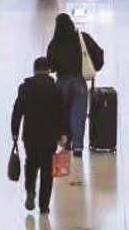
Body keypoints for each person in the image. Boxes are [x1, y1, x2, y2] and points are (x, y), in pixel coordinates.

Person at [9, 56, 68, 215]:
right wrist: (63, 133)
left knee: (31, 163)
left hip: (30, 135)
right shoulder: (55, 89)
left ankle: (30, 190)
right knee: (47, 170)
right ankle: (44, 206)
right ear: (49, 71)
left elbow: (17, 111)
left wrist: (15, 132)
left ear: (34, 70)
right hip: (50, 136)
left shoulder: (25, 88)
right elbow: (62, 113)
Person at [45, 13, 104, 152]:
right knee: (78, 115)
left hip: (62, 83)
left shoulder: (54, 43)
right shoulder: (82, 37)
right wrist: (95, 66)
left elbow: (50, 65)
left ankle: (66, 143)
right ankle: (77, 147)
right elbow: (98, 54)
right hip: (79, 82)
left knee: (63, 115)